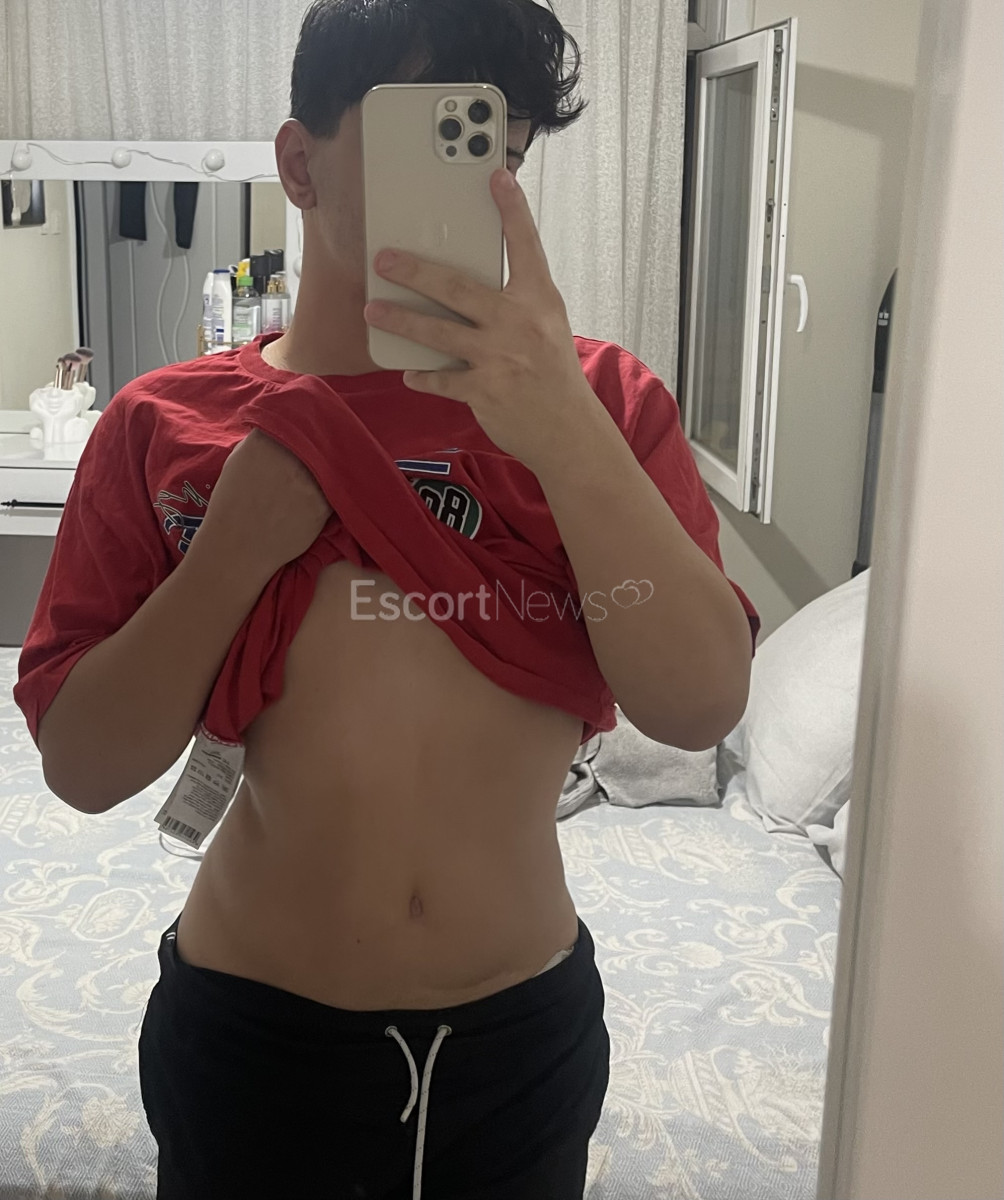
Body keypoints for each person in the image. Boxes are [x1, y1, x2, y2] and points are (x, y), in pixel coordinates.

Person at [14, 2, 760, 1197]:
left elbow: (697, 703)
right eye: (434, 136)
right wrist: (232, 553)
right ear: (299, 164)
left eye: (499, 151)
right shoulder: (163, 425)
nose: (478, 183)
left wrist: (563, 433)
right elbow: (85, 768)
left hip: (517, 1039)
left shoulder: (603, 407)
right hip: (252, 1034)